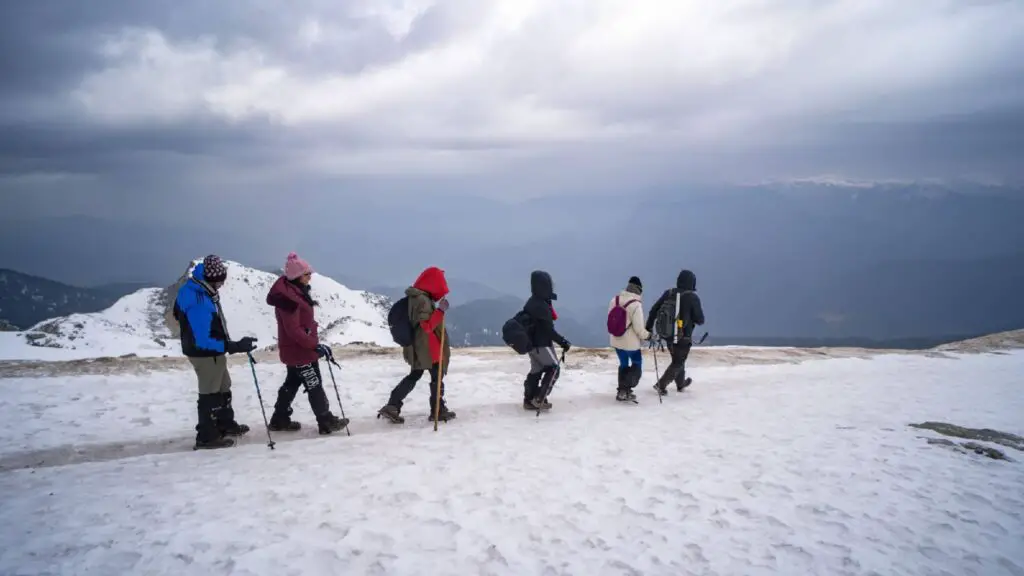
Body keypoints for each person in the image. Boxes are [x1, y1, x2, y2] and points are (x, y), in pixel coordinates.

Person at [173, 254, 258, 450]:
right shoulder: (199, 301)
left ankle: (225, 424)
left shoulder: (197, 289)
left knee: (223, 385)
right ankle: (207, 436)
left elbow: (177, 314)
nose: (222, 284)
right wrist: (232, 346)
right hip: (204, 354)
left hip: (210, 351)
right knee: (210, 392)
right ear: (213, 278)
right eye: (220, 281)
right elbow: (203, 341)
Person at [265, 252, 349, 435]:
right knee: (314, 383)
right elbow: (294, 330)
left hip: (297, 348)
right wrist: (313, 345)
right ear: (296, 276)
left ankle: (279, 419)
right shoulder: (289, 298)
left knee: (293, 382)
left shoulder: (292, 291)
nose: (310, 276)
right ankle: (325, 421)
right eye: (306, 273)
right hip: (299, 350)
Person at [377, 266, 456, 424]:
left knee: (415, 374)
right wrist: (440, 311)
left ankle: (393, 405)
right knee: (436, 375)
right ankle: (437, 410)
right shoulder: (423, 300)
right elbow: (427, 326)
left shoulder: (415, 297)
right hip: (427, 347)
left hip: (418, 346)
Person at [645, 269, 705, 395]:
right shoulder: (692, 297)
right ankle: (661, 385)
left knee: (678, 360)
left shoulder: (669, 293)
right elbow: (700, 320)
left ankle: (680, 383)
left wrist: (648, 328)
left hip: (668, 335)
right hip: (684, 337)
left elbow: (654, 310)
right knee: (678, 361)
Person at [522, 270, 571, 410]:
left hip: (532, 344)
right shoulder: (542, 306)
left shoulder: (532, 302)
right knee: (554, 369)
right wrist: (563, 342)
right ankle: (539, 399)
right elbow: (549, 331)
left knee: (536, 370)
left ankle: (529, 399)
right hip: (542, 344)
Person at [608, 276, 650, 402]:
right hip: (631, 344)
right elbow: (639, 329)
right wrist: (648, 336)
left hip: (616, 340)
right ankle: (625, 388)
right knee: (637, 364)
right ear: (639, 290)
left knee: (623, 364)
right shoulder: (636, 305)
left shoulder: (614, 300)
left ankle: (622, 391)